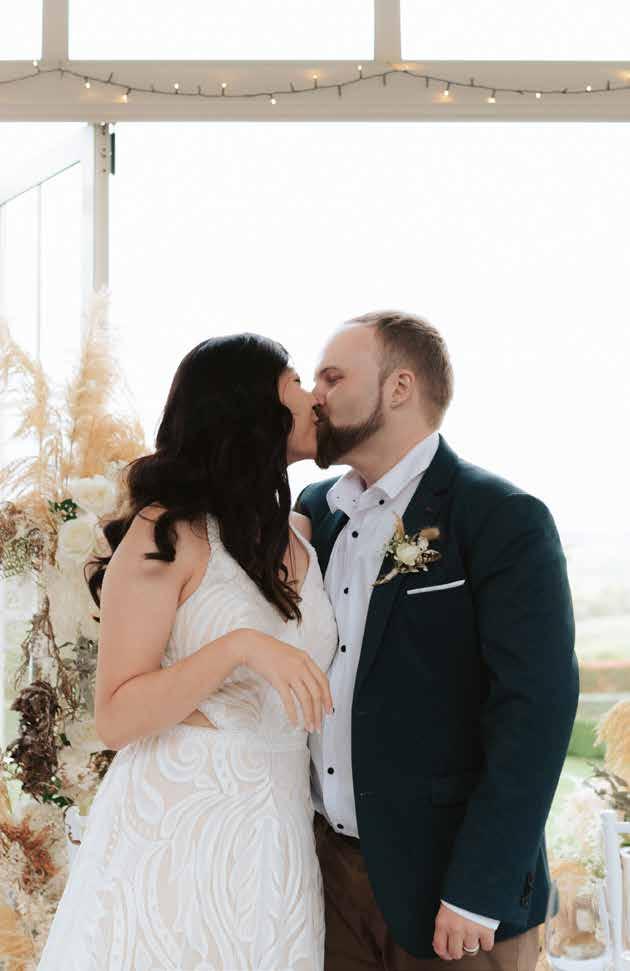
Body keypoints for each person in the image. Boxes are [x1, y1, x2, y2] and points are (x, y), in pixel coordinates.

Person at [36, 333, 338, 971]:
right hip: (178, 837)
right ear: (250, 406)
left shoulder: (301, 535)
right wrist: (239, 647)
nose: (314, 397)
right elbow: (116, 716)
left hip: (277, 840)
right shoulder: (166, 532)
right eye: (295, 382)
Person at [294, 310, 579, 970]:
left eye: (333, 377)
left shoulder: (502, 517)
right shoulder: (314, 513)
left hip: (451, 893)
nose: (316, 395)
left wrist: (480, 887)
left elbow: (536, 711)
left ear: (399, 387)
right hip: (324, 884)